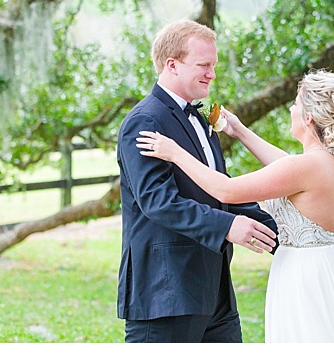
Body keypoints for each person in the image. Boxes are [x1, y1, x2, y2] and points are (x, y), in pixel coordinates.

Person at [137, 69, 334, 342]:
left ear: (309, 117)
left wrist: (176, 153)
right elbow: (286, 167)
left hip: (305, 278)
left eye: (296, 104)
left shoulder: (305, 167)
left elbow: (226, 190)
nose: (292, 109)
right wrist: (240, 131)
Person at [116, 19, 279, 343]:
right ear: (172, 65)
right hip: (166, 291)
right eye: (204, 65)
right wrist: (227, 227)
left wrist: (281, 229)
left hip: (215, 287)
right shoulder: (145, 121)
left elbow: (221, 190)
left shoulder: (201, 120)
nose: (212, 74)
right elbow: (158, 201)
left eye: (214, 65)